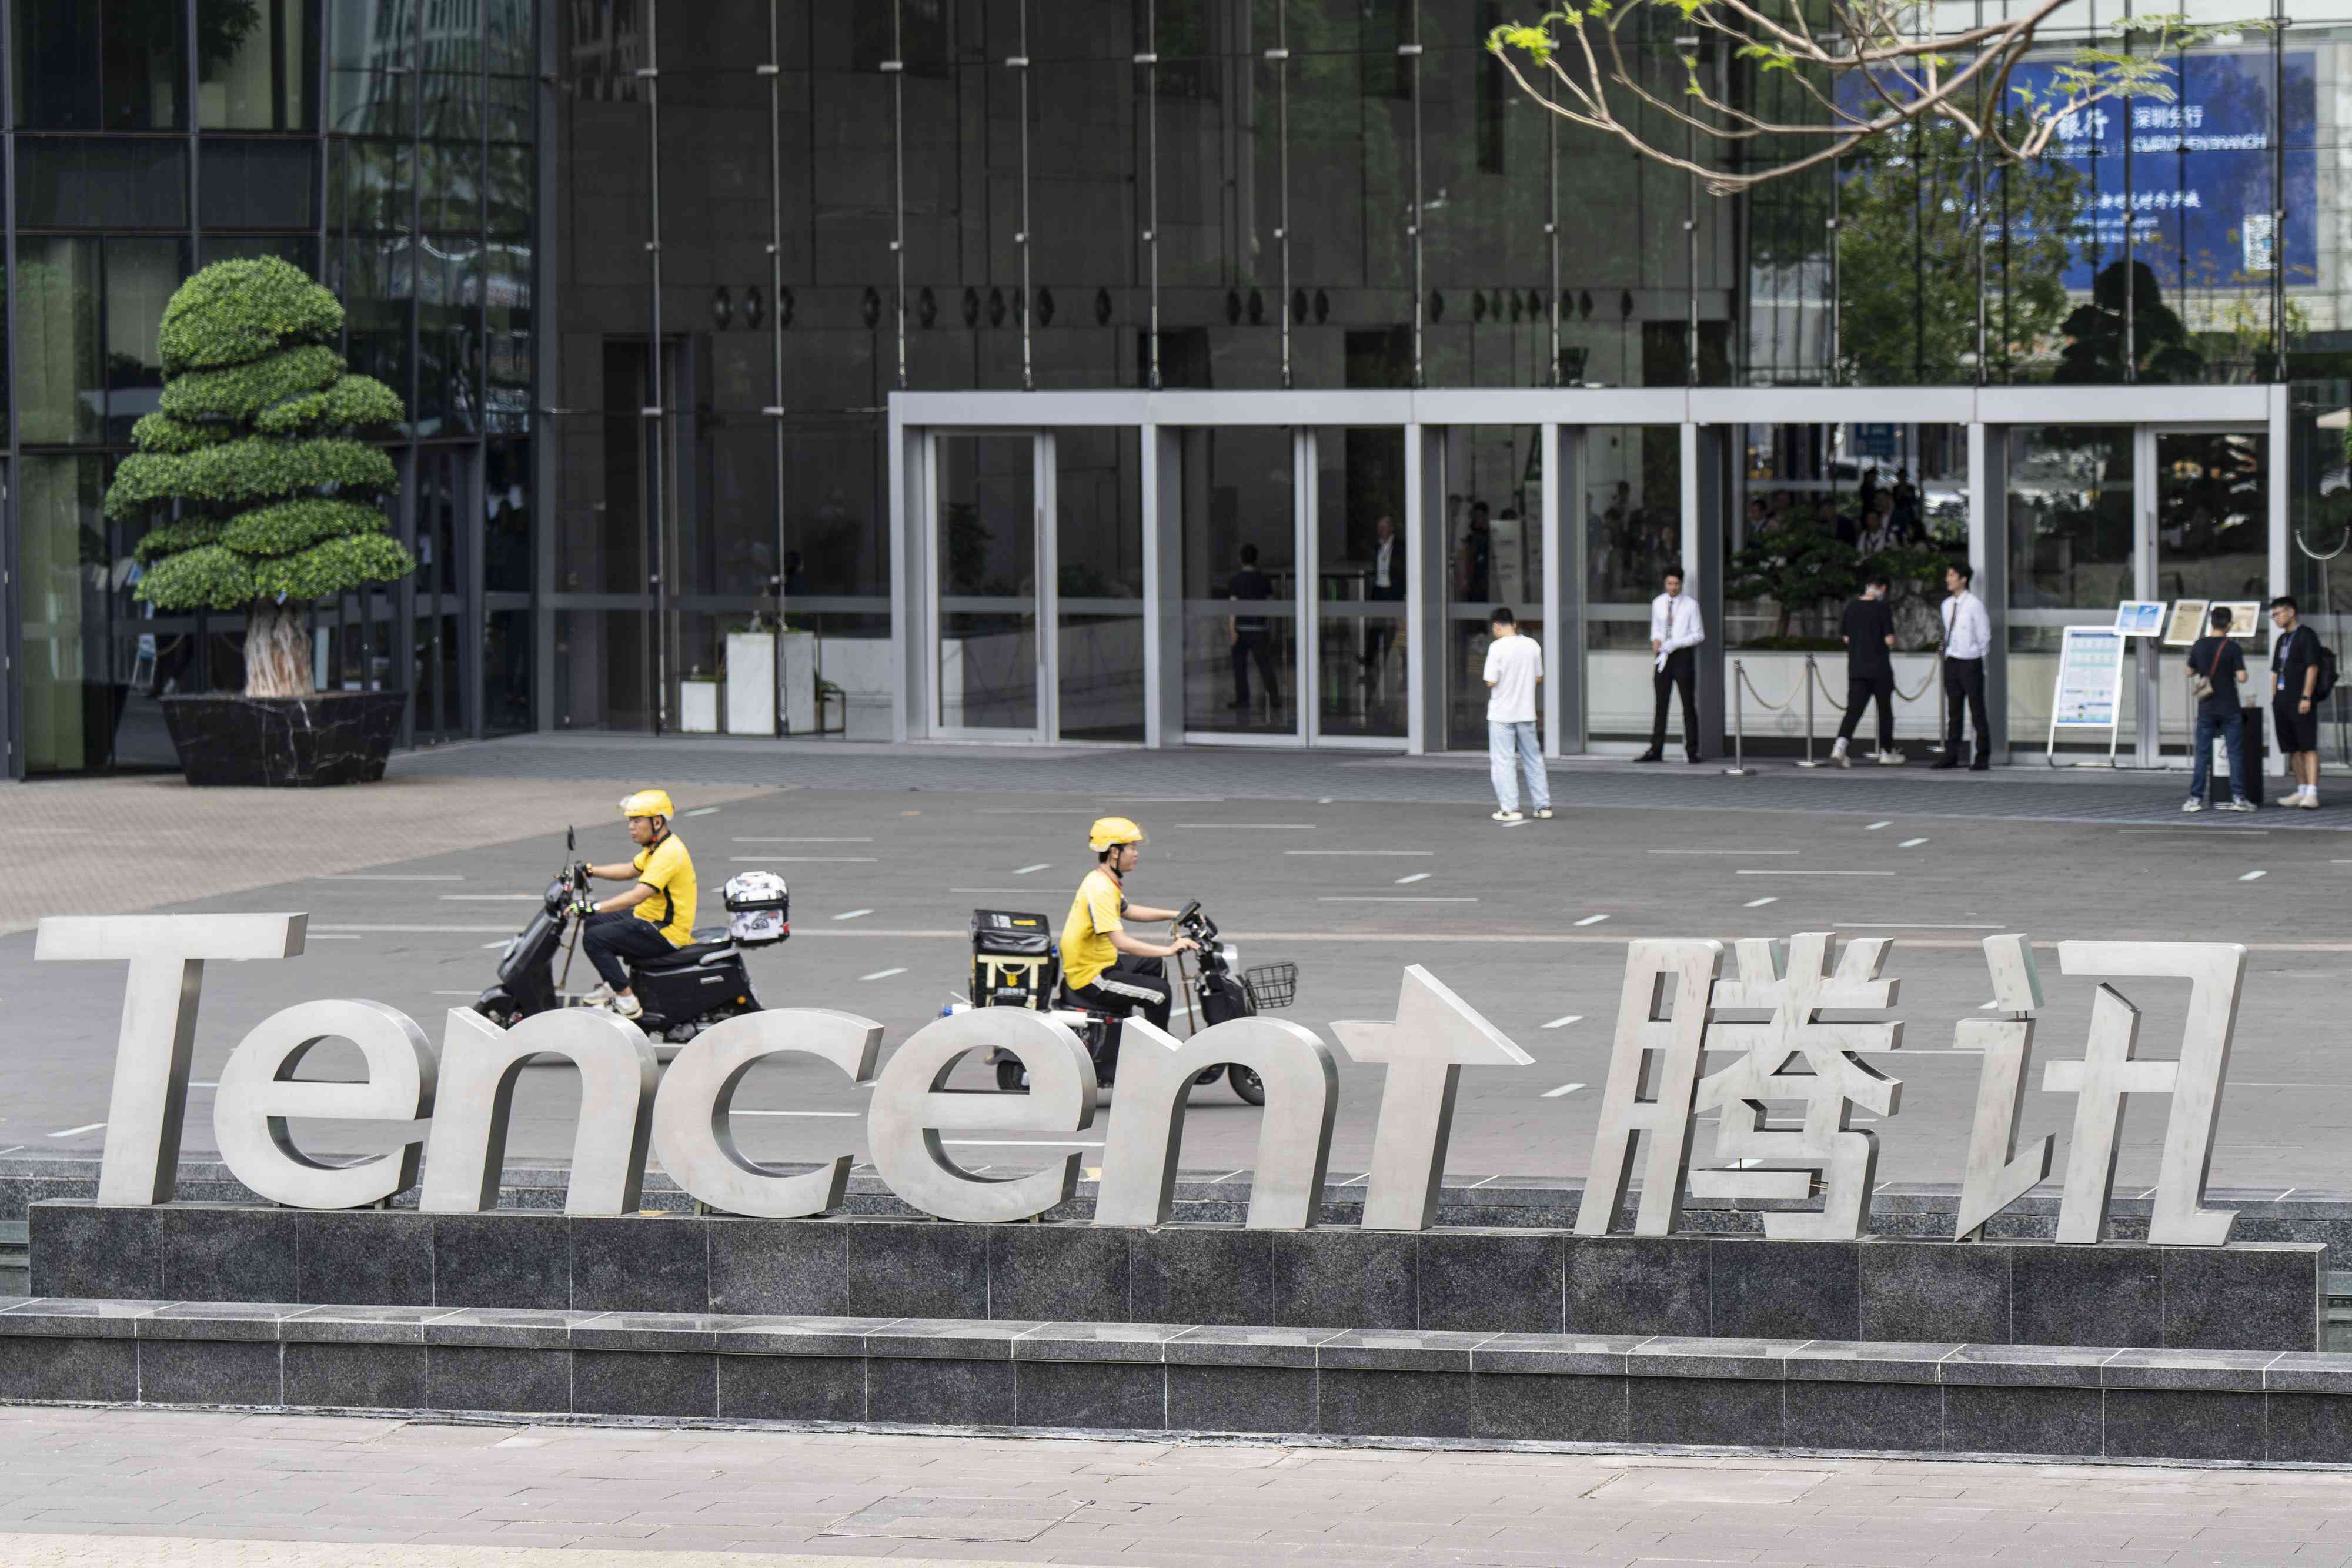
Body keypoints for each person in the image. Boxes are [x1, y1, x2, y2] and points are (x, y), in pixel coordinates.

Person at [1059, 818, 1197, 1049]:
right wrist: (1170, 949)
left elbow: (1128, 910)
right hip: (1091, 975)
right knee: (1159, 994)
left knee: (1155, 966)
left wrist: (1176, 915)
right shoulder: (1100, 889)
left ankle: (1150, 1034)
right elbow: (1122, 942)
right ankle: (1161, 1051)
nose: (1136, 854)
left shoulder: (1104, 880)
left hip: (1100, 961)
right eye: (1131, 848)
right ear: (1114, 852)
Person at [577, 788, 698, 1021]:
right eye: (630, 821)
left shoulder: (669, 854)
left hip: (666, 930)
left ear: (657, 821)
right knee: (593, 924)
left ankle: (627, 1001)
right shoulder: (657, 848)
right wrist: (590, 871)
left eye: (637, 820)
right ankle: (614, 983)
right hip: (650, 917)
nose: (631, 827)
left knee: (594, 939)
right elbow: (629, 870)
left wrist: (593, 906)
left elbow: (637, 895)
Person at [1482, 606, 1549, 822]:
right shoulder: (1532, 645)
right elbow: (1539, 678)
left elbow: (1491, 681)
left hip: (1502, 714)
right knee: (1534, 759)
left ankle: (1510, 807)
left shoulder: (1496, 648)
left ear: (1496, 626)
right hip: (1526, 712)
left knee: (1503, 760)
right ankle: (1543, 805)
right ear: (1515, 623)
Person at [2184, 604, 2252, 813]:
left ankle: (2195, 799)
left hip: (2207, 707)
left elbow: (2189, 672)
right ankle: (2238, 798)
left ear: (2211, 623)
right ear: (2229, 624)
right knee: (2235, 753)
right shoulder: (2232, 648)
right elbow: (2242, 677)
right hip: (2230, 708)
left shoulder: (2199, 645)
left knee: (2202, 755)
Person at [1832, 571, 1901, 768]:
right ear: (1884, 588)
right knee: (1885, 711)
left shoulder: (1851, 607)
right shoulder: (1882, 608)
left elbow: (1846, 638)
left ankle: (1840, 747)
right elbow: (1889, 639)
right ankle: (1887, 752)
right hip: (1880, 669)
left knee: (1853, 711)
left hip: (1857, 668)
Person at [1636, 567, 1705, 763]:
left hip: (1682, 656)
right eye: (1669, 584)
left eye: (1676, 584)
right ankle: (1656, 749)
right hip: (1663, 656)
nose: (1672, 587)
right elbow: (1656, 629)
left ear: (1681, 584)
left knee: (1688, 705)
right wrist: (1656, 640)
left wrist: (1677, 642)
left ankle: (1692, 750)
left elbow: (1699, 634)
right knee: (1661, 704)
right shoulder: (1658, 603)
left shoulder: (1691, 605)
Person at [1935, 561, 1992, 770]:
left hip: (1971, 661)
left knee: (1977, 710)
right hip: (1953, 661)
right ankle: (1951, 755)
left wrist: (1979, 659)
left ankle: (1982, 756)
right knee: (1954, 711)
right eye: (1948, 576)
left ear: (1963, 579)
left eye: (1952, 576)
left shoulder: (1974, 605)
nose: (1948, 579)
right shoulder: (1946, 605)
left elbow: (1985, 636)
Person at [2270, 596, 2323, 808]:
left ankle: (2312, 792)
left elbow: (2313, 667)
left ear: (2291, 612)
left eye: (2277, 614)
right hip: (2282, 700)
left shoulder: (2306, 636)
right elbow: (2275, 671)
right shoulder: (2282, 640)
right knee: (2292, 748)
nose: (2275, 619)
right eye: (2272, 615)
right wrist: (2274, 697)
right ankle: (2301, 790)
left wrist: (2306, 696)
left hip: (2300, 699)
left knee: (2308, 745)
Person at [1227, 544, 1279, 715]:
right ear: (1256, 559)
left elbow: (1233, 606)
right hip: (1259, 628)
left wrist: (1232, 629)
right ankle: (1274, 698)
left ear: (1241, 559)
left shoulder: (1236, 580)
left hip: (1242, 628)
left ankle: (1243, 699)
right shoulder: (1263, 580)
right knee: (1265, 665)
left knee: (1240, 666)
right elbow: (1270, 605)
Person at [1360, 513, 1404, 687]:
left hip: (1392, 590)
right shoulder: (1377, 547)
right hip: (1379, 588)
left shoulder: (1399, 548)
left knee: (1393, 627)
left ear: (1391, 528)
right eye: (1379, 527)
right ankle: (1370, 659)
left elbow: (1401, 570)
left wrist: (1402, 592)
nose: (1381, 530)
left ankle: (1393, 659)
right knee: (1376, 626)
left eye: (1384, 527)